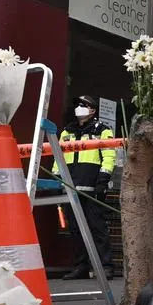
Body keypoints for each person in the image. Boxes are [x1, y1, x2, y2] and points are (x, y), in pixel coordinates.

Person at [59, 95, 116, 279]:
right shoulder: (67, 131)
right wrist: (58, 179)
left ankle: (106, 267)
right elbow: (57, 157)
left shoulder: (103, 130)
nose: (79, 108)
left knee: (97, 227)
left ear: (92, 110)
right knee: (75, 230)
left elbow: (109, 156)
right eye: (77, 105)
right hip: (70, 186)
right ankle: (81, 266)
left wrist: (103, 179)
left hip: (92, 187)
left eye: (83, 105)